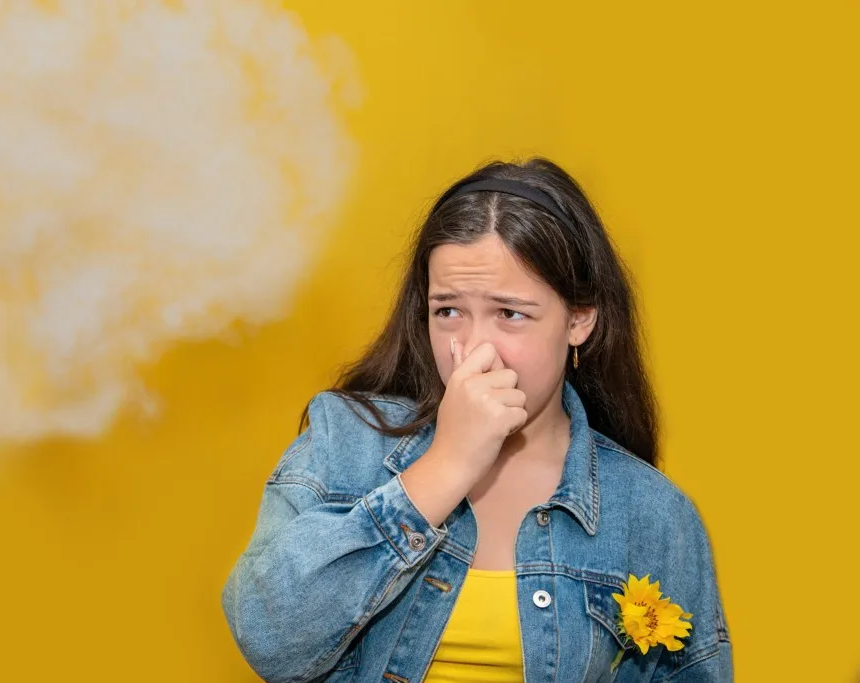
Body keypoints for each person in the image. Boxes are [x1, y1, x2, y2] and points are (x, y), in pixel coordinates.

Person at [221, 158, 732, 682]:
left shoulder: (652, 513)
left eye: (510, 313)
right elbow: (266, 638)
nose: (472, 351)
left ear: (579, 320)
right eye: (448, 311)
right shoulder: (343, 441)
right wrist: (446, 464)